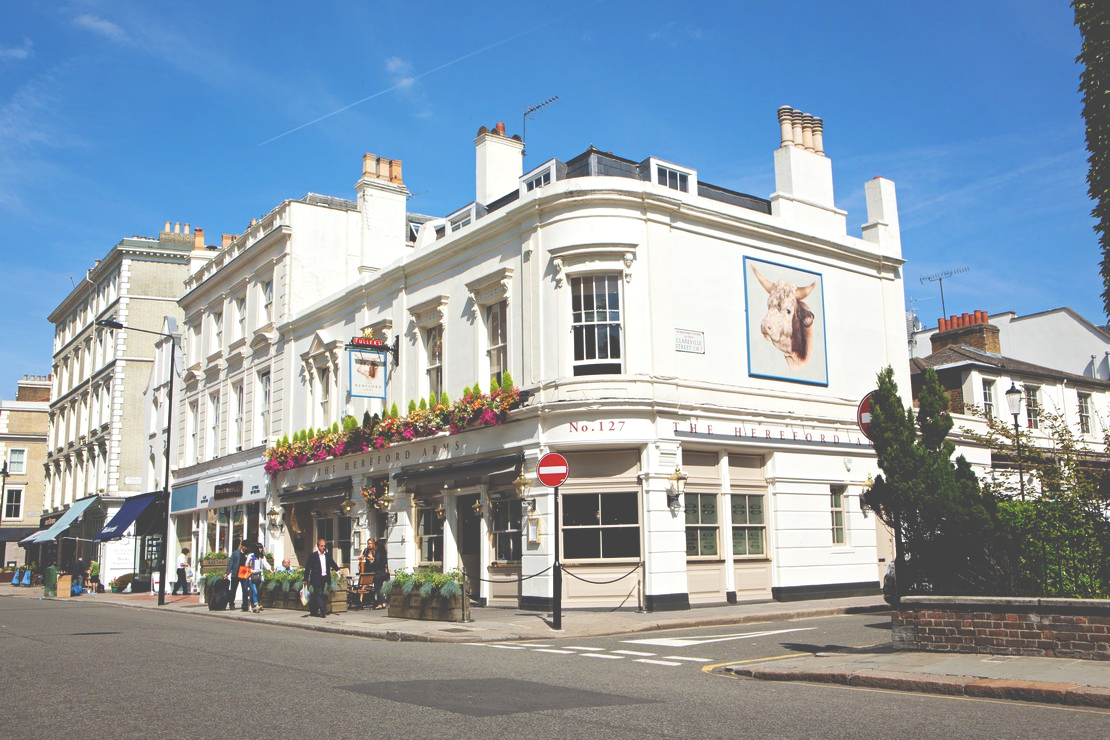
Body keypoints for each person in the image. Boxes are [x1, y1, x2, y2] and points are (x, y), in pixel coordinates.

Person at [303, 538, 341, 618]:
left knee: (318, 595)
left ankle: (313, 611)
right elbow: (307, 567)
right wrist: (305, 579)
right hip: (316, 578)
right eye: (321, 546)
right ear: (318, 546)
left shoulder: (327, 555)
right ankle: (323, 610)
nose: (323, 547)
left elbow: (332, 563)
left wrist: (337, 570)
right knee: (319, 594)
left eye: (324, 546)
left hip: (324, 577)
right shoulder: (313, 556)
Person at [225, 540, 250, 612]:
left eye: (247, 547)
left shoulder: (248, 554)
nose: (245, 548)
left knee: (245, 590)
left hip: (244, 574)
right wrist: (227, 572)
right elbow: (231, 563)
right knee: (233, 590)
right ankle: (231, 604)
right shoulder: (235, 553)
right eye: (244, 546)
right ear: (242, 546)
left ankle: (245, 605)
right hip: (235, 574)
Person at [247, 543, 272, 613]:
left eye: (261, 548)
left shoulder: (262, 557)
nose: (260, 549)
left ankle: (250, 604)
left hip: (260, 576)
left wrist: (270, 570)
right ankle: (256, 605)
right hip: (252, 576)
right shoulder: (251, 556)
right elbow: (246, 565)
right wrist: (249, 561)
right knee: (254, 591)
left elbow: (265, 564)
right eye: (259, 548)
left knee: (257, 592)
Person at [371, 539, 390, 609]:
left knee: (378, 588)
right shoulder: (384, 554)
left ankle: (380, 603)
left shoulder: (378, 554)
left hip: (378, 573)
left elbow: (376, 564)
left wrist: (372, 562)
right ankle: (382, 603)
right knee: (380, 588)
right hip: (383, 572)